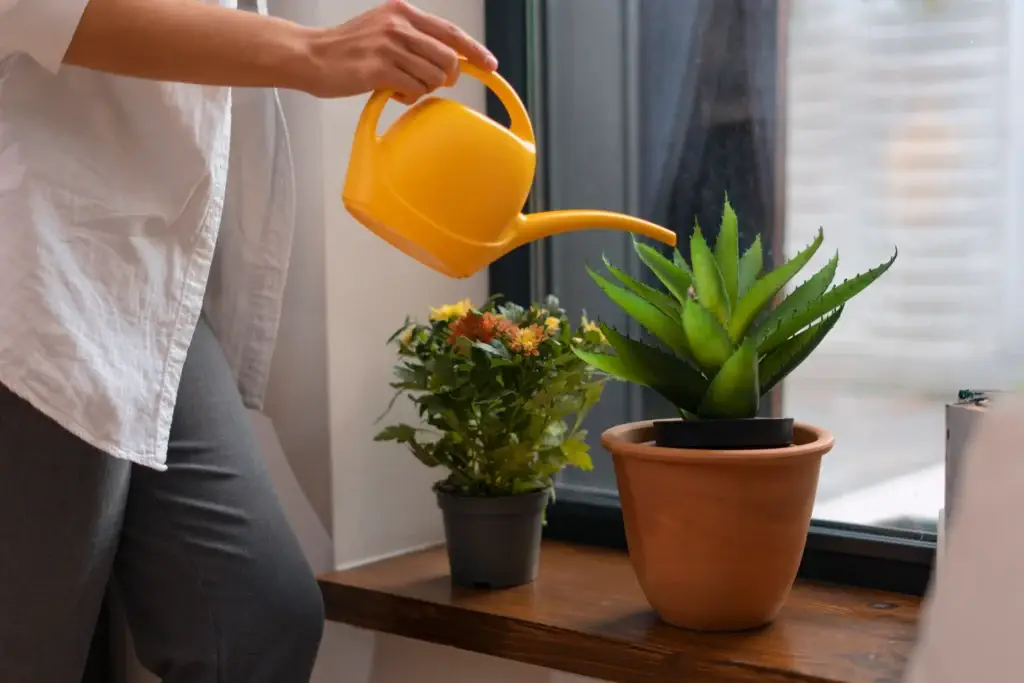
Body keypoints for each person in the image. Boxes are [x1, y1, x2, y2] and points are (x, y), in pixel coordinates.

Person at [0, 0, 497, 681]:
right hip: (31, 261)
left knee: (256, 620)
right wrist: (312, 52)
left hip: (149, 277)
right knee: (32, 651)